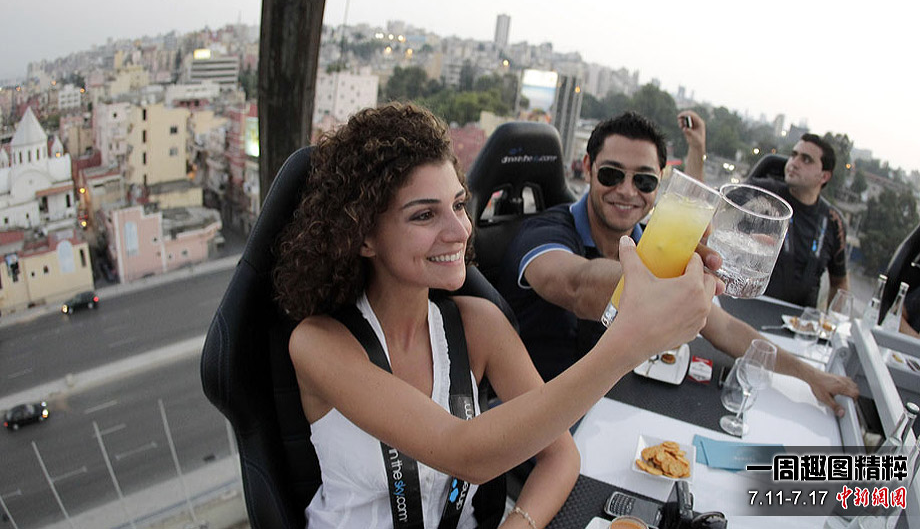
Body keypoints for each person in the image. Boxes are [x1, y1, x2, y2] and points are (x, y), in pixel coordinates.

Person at [272, 103, 718, 529]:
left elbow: (561, 455)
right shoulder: (320, 344)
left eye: (458, 205)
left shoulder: (478, 325)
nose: (460, 230)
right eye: (425, 215)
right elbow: (463, 453)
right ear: (364, 235)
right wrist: (629, 343)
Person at [497, 111, 858, 418]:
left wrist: (810, 375)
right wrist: (673, 274)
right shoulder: (545, 232)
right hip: (531, 413)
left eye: (644, 180)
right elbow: (577, 285)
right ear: (588, 167)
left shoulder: (652, 243)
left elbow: (725, 328)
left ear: (660, 183)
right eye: (611, 174)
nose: (627, 190)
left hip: (608, 406)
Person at [746, 134, 849, 308]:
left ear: (824, 176)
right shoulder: (764, 192)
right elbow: (710, 207)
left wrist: (831, 319)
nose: (794, 163)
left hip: (799, 319)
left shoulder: (833, 221)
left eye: (806, 160)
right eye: (793, 155)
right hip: (751, 306)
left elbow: (840, 283)